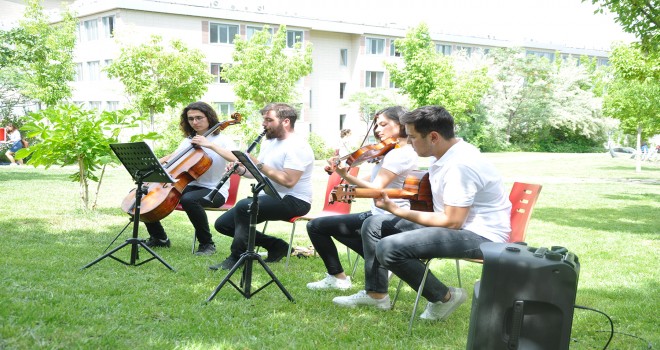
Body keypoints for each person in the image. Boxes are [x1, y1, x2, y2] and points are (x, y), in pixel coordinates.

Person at [333, 105, 511, 322]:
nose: (408, 142)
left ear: (434, 137)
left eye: (413, 137)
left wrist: (397, 210)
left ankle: (444, 297)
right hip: (455, 227)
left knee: (389, 247)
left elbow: (452, 221)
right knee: (374, 224)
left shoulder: (461, 165)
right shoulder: (444, 154)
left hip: (481, 236)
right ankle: (376, 294)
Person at [306, 106, 418, 290]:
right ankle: (357, 272)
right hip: (378, 213)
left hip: (391, 217)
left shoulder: (401, 154)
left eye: (383, 124)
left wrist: (347, 176)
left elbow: (376, 188)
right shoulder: (392, 151)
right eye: (376, 125)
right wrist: (346, 181)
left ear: (401, 125)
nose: (378, 130)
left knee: (318, 227)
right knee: (320, 226)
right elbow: (371, 180)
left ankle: (376, 266)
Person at [210, 103, 315, 270]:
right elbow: (260, 173)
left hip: (295, 201)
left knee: (245, 207)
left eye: (269, 120)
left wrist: (258, 163)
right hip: (272, 195)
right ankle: (276, 245)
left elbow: (289, 181)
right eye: (264, 119)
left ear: (285, 122)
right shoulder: (269, 142)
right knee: (223, 224)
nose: (263, 124)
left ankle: (237, 257)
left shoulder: (298, 146)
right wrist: (242, 170)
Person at [143, 101, 237, 256]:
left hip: (215, 191)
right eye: (191, 118)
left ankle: (207, 244)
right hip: (187, 186)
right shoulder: (188, 140)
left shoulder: (222, 140)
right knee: (148, 193)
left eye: (199, 117)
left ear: (209, 118)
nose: (195, 122)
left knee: (189, 199)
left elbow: (236, 158)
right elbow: (173, 157)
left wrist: (209, 145)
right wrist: (152, 165)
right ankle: (159, 237)